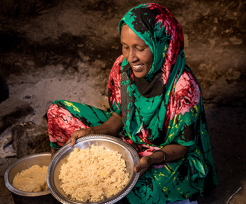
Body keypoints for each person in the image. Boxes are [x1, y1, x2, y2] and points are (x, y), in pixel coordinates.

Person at [46, 3, 219, 204]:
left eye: (140, 48)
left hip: (165, 154)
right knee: (58, 112)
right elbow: (119, 116)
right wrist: (96, 131)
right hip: (129, 137)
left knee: (143, 186)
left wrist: (150, 160)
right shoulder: (122, 66)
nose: (131, 57)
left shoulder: (183, 87)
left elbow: (181, 147)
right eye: (125, 46)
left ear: (160, 44)